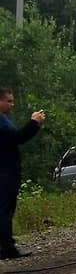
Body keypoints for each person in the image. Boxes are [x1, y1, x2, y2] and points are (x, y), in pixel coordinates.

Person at [0, 88, 45, 260]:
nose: (13, 104)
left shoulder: (3, 119)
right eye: (9, 101)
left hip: (6, 169)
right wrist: (34, 123)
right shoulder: (1, 122)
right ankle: (7, 248)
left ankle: (5, 245)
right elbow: (18, 138)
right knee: (5, 209)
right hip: (5, 171)